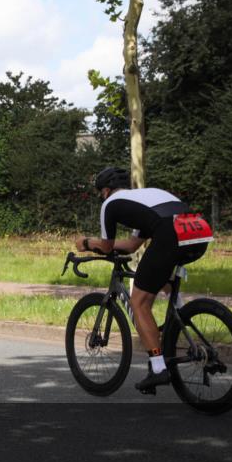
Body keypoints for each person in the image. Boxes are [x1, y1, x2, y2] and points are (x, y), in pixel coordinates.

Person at [75, 167, 212, 393]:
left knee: (139, 301)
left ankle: (158, 368)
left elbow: (106, 246)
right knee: (160, 274)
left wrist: (87, 243)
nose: (102, 196)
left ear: (106, 190)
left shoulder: (110, 204)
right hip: (197, 230)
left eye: (101, 193)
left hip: (170, 233)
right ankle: (180, 316)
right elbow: (131, 246)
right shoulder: (143, 199)